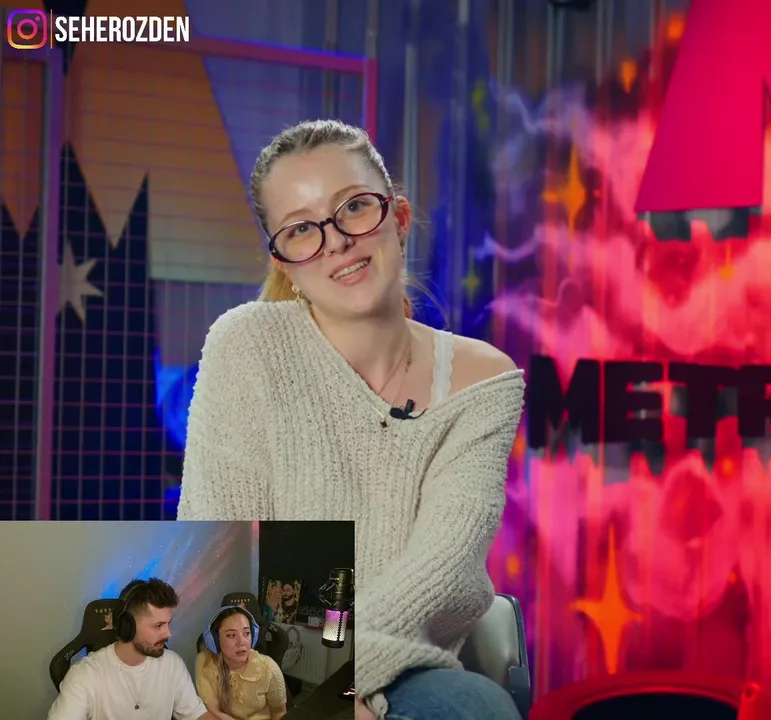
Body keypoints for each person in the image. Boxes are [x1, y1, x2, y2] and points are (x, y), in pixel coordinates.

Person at [176, 119, 525, 720]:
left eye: (354, 208)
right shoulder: (245, 345)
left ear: (399, 218)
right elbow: (220, 542)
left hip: (401, 663)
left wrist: (335, 689)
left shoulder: (484, 380)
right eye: (301, 229)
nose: (335, 240)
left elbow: (440, 569)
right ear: (284, 262)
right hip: (264, 655)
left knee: (475, 707)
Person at [49, 578, 213, 720]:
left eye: (168, 623)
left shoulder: (172, 665)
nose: (168, 633)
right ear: (127, 627)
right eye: (158, 626)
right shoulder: (85, 675)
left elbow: (197, 715)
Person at [194, 606, 287, 720]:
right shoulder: (205, 661)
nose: (241, 642)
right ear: (215, 640)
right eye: (231, 635)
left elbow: (279, 712)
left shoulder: (268, 668)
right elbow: (213, 709)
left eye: (246, 633)